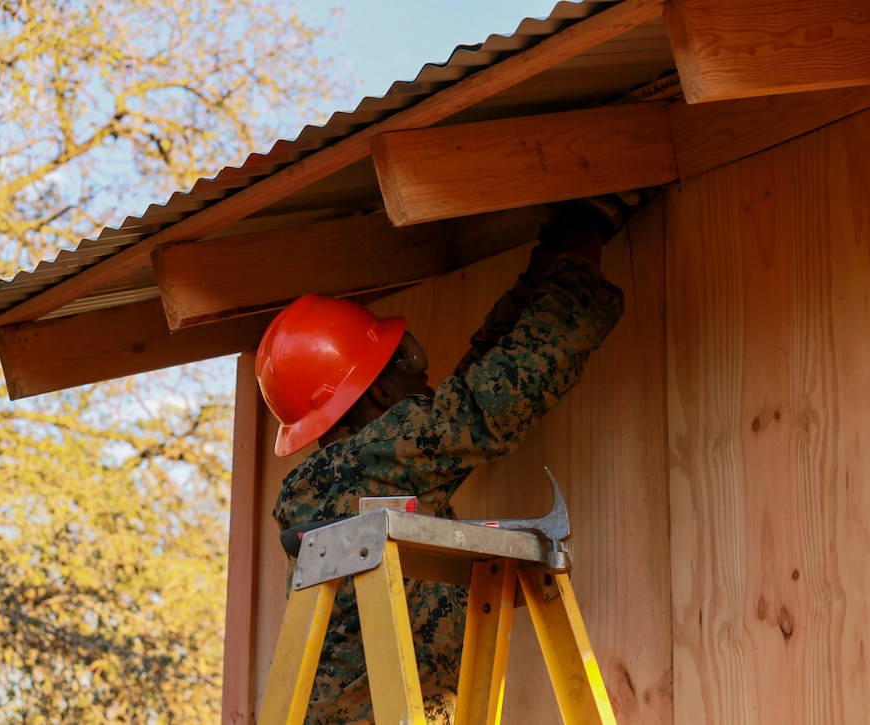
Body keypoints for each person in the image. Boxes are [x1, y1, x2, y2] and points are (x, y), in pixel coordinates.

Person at [255, 196, 639, 724]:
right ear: (379, 393)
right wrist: (585, 234)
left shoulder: (351, 476)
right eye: (407, 360)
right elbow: (502, 391)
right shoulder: (371, 461)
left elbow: (471, 387)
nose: (425, 379)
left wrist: (545, 263)